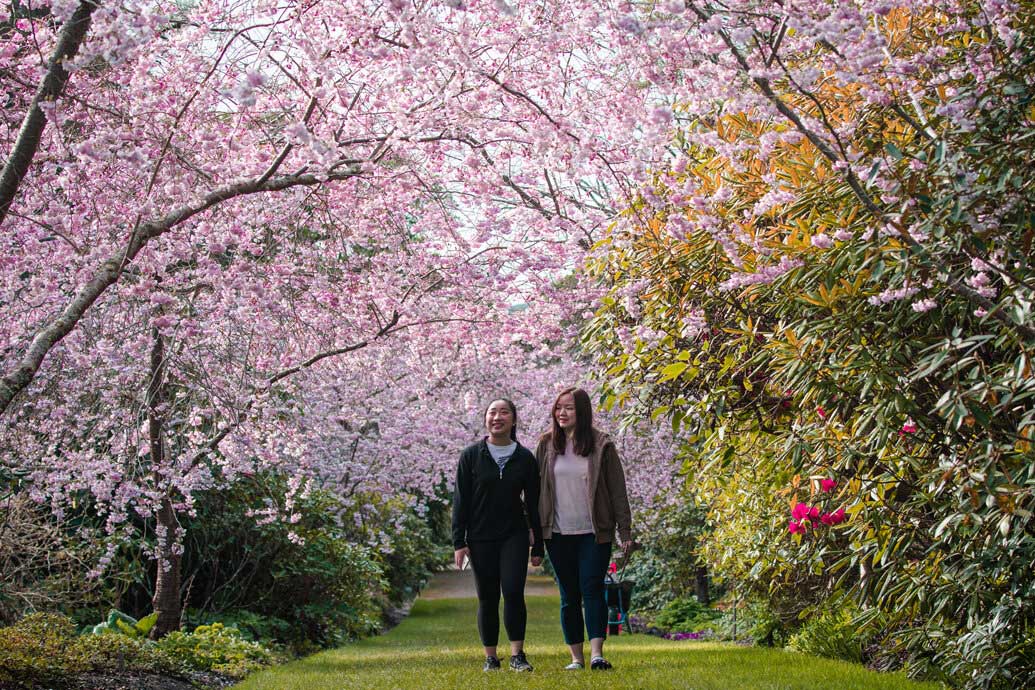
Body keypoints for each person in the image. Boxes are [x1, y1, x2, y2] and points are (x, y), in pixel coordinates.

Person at [535, 387, 633, 671]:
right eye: (558, 408)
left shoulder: (602, 445)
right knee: (569, 595)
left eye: (568, 408)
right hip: (557, 532)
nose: (562, 413)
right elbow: (534, 488)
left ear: (582, 411)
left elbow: (617, 491)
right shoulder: (546, 444)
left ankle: (596, 654)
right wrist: (533, 528)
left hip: (594, 532)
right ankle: (576, 658)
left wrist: (624, 532)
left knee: (592, 589)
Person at [452, 398, 544, 672]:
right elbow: (461, 501)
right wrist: (459, 541)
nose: (498, 417)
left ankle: (517, 655)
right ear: (486, 419)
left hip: (513, 535)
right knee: (487, 597)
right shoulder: (471, 456)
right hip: (480, 537)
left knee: (514, 592)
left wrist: (537, 544)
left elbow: (534, 503)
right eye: (493, 412)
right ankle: (491, 657)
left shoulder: (525, 457)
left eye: (504, 412)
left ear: (513, 420)